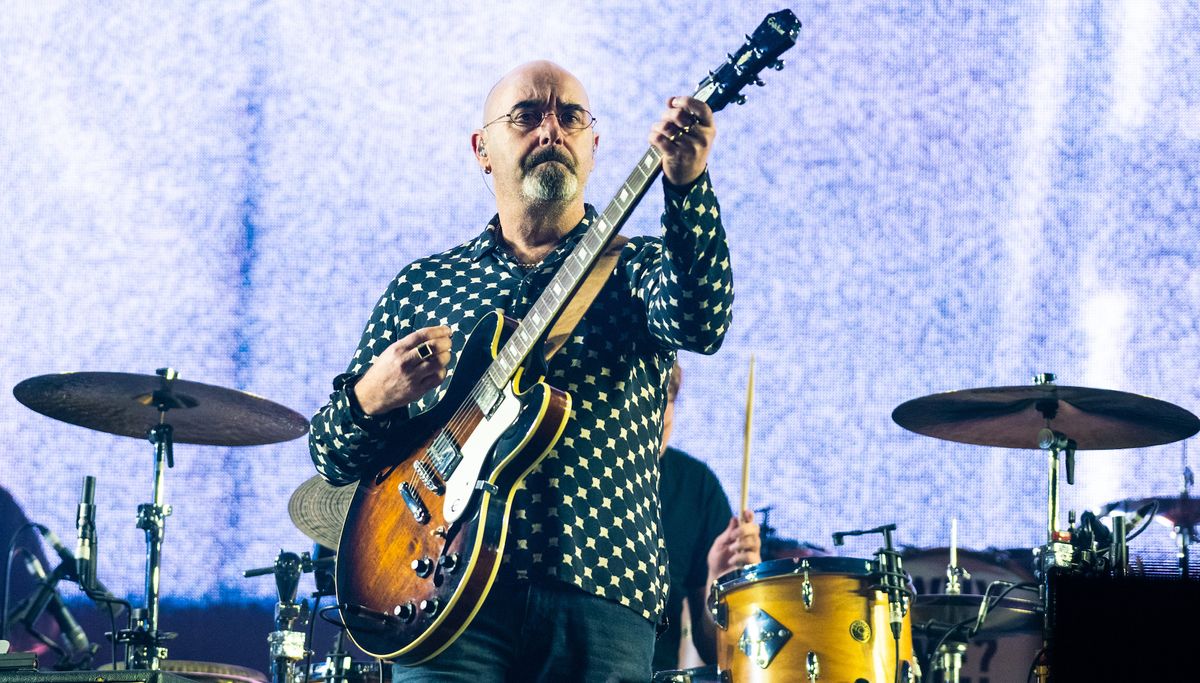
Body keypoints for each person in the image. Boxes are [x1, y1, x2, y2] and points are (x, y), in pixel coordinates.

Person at [309, 60, 732, 683]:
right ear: (483, 149)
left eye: (571, 117)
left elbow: (703, 322)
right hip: (439, 598)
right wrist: (369, 399)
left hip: (600, 586)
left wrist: (687, 184)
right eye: (527, 116)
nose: (550, 131)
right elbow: (332, 456)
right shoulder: (424, 287)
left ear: (593, 147)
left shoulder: (638, 268)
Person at [654, 362, 760, 672]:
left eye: (665, 424)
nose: (656, 436)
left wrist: (722, 584)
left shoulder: (697, 487)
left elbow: (714, 651)